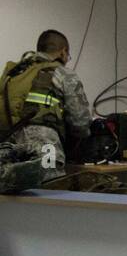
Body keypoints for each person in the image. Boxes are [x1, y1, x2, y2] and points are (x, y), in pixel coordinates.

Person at [0, 29, 91, 180]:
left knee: (12, 200)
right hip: (43, 147)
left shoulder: (15, 72)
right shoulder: (63, 74)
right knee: (49, 196)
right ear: (63, 52)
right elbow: (80, 123)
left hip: (7, 145)